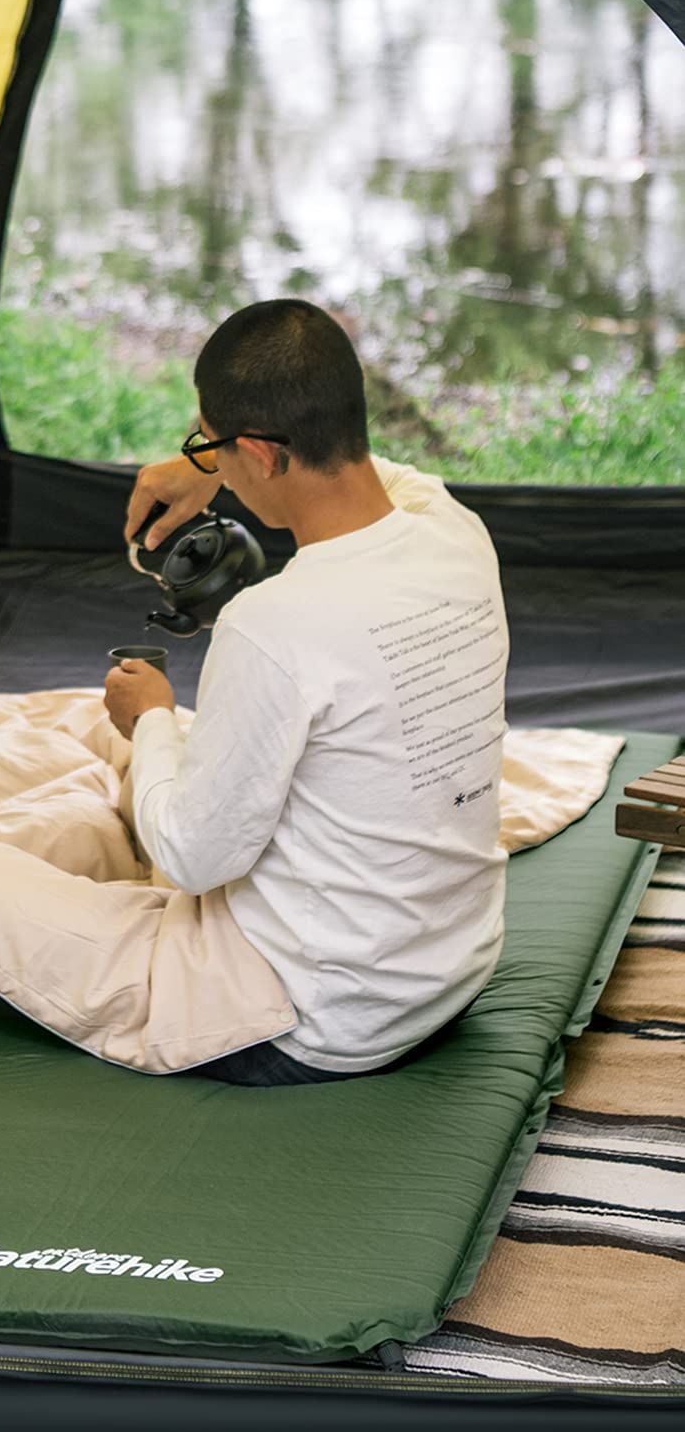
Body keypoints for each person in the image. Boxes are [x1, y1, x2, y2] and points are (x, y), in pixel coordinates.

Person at [105, 299, 509, 1085]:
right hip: (451, 976)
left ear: (258, 452)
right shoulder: (458, 532)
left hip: (316, 1021)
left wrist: (152, 719)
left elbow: (192, 856)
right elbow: (394, 477)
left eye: (210, 445)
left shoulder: (270, 621)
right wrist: (207, 462)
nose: (207, 461)